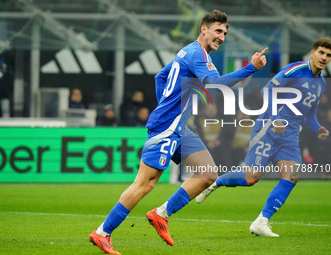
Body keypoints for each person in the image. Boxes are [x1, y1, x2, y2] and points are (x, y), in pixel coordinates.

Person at [89, 10, 267, 254]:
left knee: (207, 174)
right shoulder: (197, 55)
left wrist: (168, 101)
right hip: (167, 127)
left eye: (224, 33)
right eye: (217, 31)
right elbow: (216, 87)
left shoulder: (189, 51)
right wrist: (251, 68)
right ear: (203, 29)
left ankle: (161, 213)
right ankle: (102, 233)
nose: (221, 37)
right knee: (144, 184)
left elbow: (159, 76)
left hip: (179, 127)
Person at [195, 38, 331, 237]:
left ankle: (261, 221)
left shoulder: (321, 84)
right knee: (251, 178)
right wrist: (276, 120)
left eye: (328, 55)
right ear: (312, 53)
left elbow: (309, 113)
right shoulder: (296, 70)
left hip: (290, 136)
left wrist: (318, 127)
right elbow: (267, 89)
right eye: (321, 53)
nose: (324, 58)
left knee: (291, 176)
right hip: (268, 128)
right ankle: (217, 182)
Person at [0, 48, 14, 117]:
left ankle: (6, 125)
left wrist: (9, 87)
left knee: (5, 108)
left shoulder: (6, 59)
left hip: (4, 89)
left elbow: (10, 75)